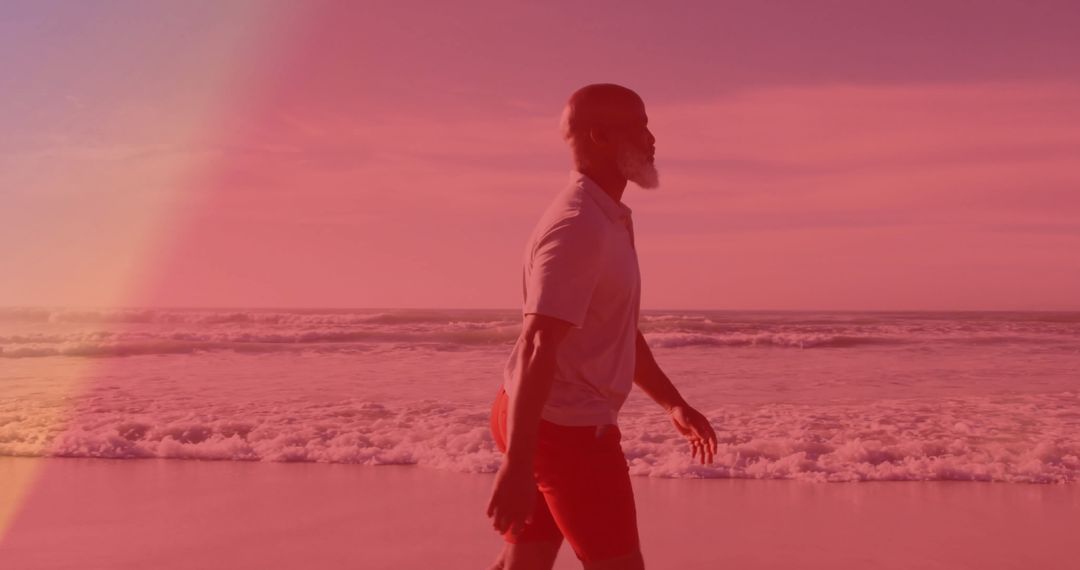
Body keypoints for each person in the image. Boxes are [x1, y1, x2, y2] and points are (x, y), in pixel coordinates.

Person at [485, 83, 719, 570]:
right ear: (600, 137)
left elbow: (619, 332)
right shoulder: (578, 226)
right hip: (564, 431)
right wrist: (518, 463)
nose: (653, 139)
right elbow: (537, 343)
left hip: (539, 421)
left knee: (523, 564)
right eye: (640, 127)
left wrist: (672, 401)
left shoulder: (608, 217)